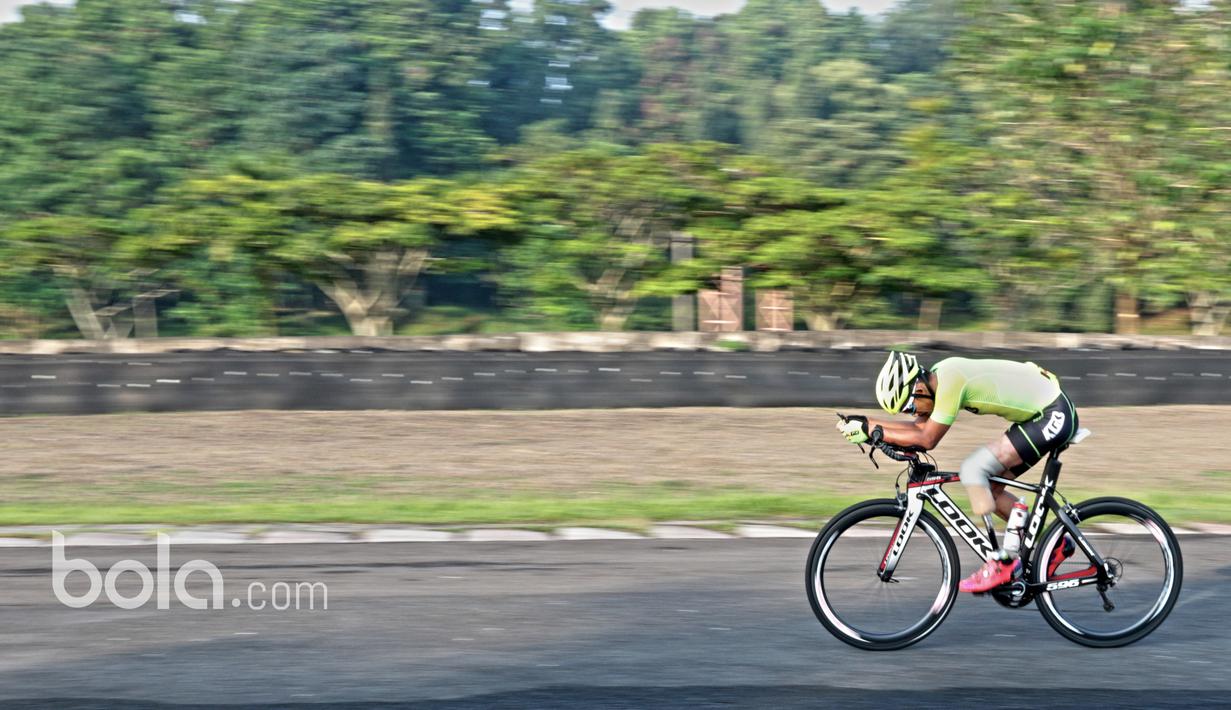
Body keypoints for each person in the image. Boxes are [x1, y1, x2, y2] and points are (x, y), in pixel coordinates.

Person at [836, 351, 1079, 593]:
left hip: (1052, 413)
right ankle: (1055, 545)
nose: (912, 412)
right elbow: (916, 428)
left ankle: (1001, 563)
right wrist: (867, 423)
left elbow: (926, 438)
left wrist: (871, 428)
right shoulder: (938, 378)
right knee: (991, 490)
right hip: (1044, 412)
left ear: (918, 387)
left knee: (974, 470)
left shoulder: (950, 382)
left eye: (909, 406)